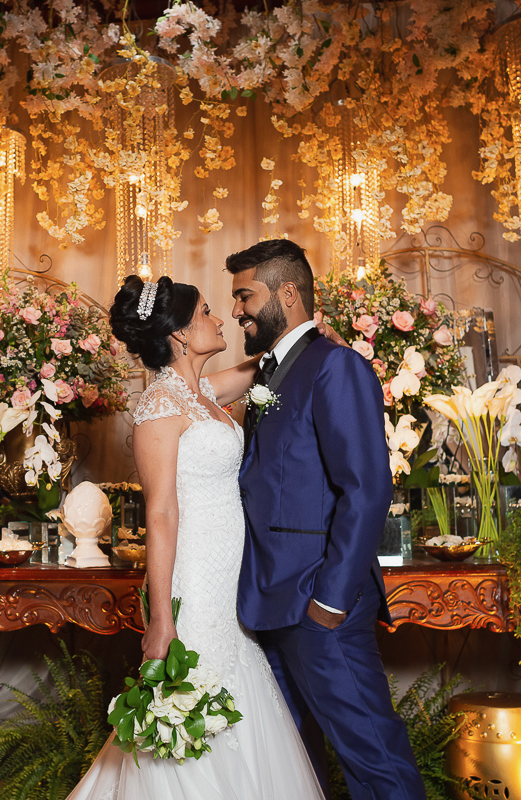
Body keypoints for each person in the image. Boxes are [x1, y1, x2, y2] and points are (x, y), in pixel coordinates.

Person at [67, 274, 325, 800]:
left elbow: (263, 366)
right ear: (181, 334)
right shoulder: (159, 407)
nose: (221, 318)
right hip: (195, 576)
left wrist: (310, 331)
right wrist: (162, 618)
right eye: (206, 311)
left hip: (231, 578)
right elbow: (161, 512)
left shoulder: (202, 392)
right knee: (194, 697)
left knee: (236, 688)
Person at [230, 238, 426, 799]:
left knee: (372, 756)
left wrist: (330, 603)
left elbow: (366, 490)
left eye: (246, 296)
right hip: (268, 603)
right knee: (295, 765)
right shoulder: (269, 373)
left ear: (288, 293)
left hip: (317, 601)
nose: (238, 309)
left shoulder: (336, 365)